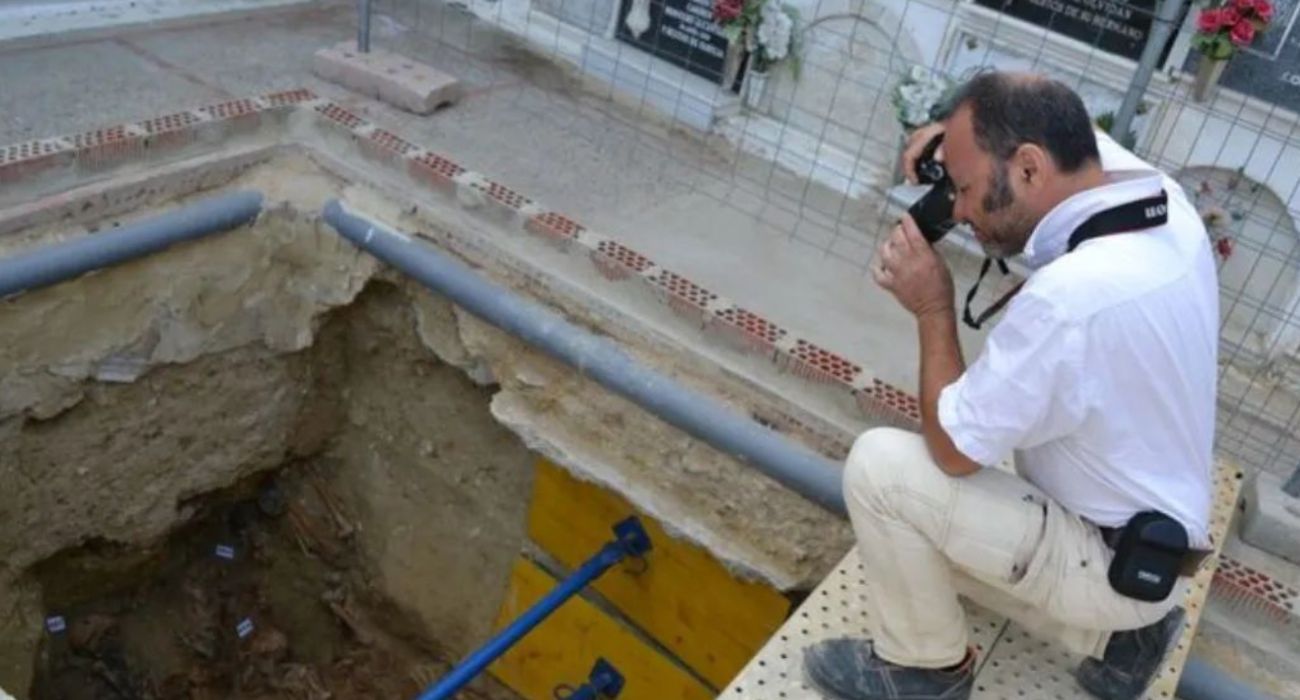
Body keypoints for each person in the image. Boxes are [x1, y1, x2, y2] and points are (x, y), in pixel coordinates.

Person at [801, 72, 1217, 700]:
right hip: (1155, 544)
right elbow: (1054, 112)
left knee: (883, 476)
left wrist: (933, 307)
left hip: (1104, 560)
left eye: (964, 189)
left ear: (1028, 168)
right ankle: (1122, 639)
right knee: (943, 518)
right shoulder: (1163, 202)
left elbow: (952, 448)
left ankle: (925, 670)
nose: (960, 210)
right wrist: (953, 134)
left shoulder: (1071, 299)